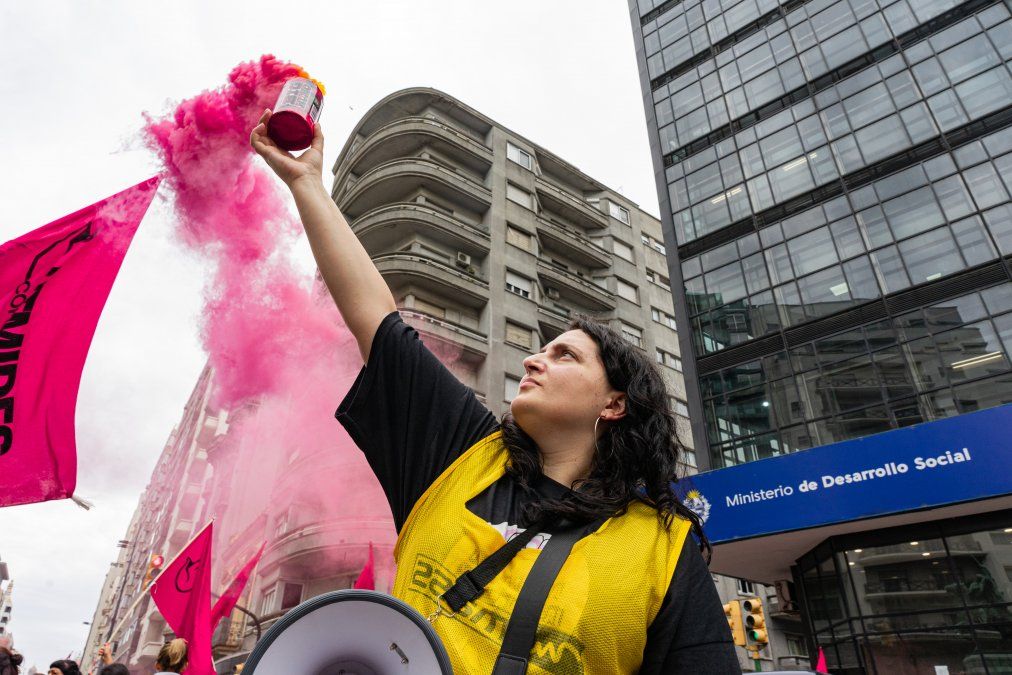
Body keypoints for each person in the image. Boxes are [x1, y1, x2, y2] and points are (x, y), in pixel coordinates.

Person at [251, 109, 740, 673]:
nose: (534, 358)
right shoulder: (459, 456)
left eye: (565, 355)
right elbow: (377, 318)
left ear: (614, 403)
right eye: (541, 347)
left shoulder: (664, 547)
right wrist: (307, 182)